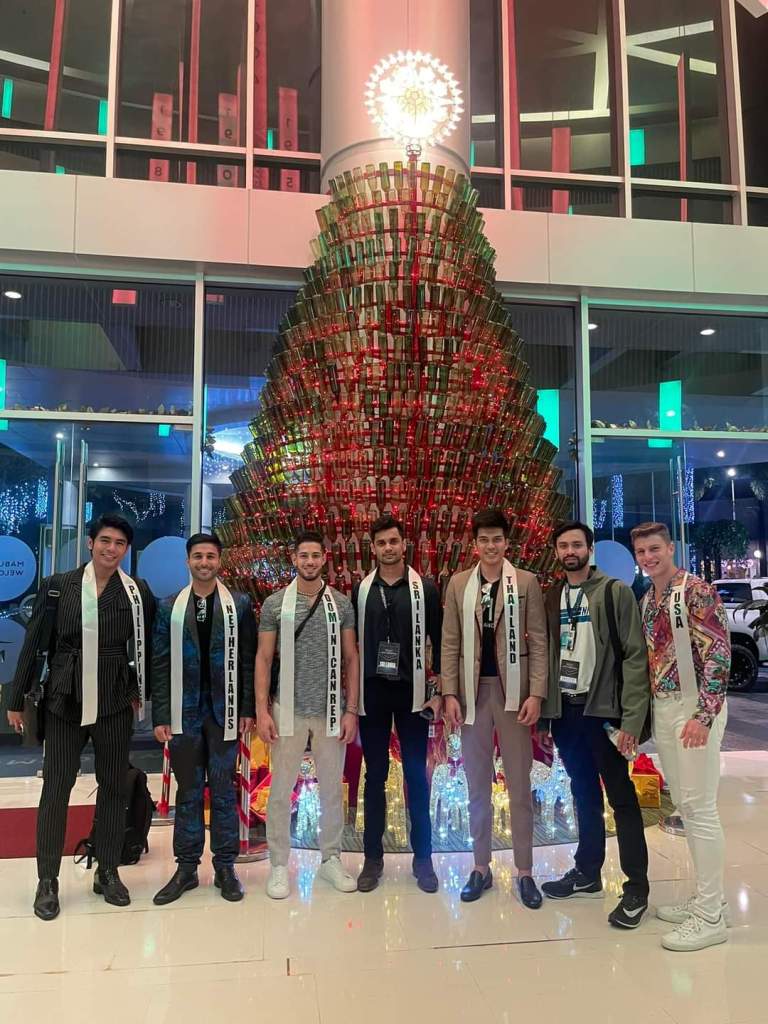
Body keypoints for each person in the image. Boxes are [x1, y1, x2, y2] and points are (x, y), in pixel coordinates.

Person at [6, 514, 155, 921]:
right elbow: (34, 641)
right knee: (56, 787)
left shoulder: (136, 591)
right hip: (64, 699)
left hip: (114, 700)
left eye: (119, 543)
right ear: (90, 543)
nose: (111, 549)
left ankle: (107, 870)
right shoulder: (59, 586)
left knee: (114, 787)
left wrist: (142, 690)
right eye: (105, 540)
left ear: (126, 549)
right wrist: (16, 698)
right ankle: (47, 880)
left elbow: (147, 644)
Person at [540, 521, 651, 930]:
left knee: (621, 797)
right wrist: (546, 715)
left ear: (590, 549)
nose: (570, 551)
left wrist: (631, 720)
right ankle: (587, 872)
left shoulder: (613, 592)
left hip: (603, 711)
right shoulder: (553, 597)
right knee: (582, 791)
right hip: (567, 711)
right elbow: (546, 656)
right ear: (556, 552)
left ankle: (636, 888)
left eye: (577, 544)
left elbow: (635, 657)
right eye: (563, 545)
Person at [442, 510, 550, 909]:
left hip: (514, 694)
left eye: (497, 539)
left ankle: (524, 870)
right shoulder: (459, 584)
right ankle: (480, 866)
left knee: (519, 784)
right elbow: (450, 641)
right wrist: (450, 693)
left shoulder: (525, 582)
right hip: (473, 694)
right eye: (484, 539)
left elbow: (539, 640)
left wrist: (536, 693)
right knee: (476, 785)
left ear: (506, 543)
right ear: (475, 544)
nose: (491, 546)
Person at [632, 521, 731, 951]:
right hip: (665, 707)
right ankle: (711, 900)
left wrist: (704, 715)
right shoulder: (648, 599)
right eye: (641, 552)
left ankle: (711, 917)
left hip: (693, 708)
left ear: (670, 548)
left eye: (654, 549)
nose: (648, 557)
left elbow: (718, 653)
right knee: (686, 807)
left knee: (700, 808)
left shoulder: (697, 591)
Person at [151, 533, 256, 904]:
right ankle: (186, 868)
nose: (204, 562)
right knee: (189, 791)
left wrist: (247, 708)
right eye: (198, 556)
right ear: (188, 561)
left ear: (219, 561)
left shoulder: (239, 604)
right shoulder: (169, 607)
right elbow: (159, 662)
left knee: (225, 791)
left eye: (210, 556)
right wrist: (161, 713)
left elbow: (248, 659)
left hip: (226, 711)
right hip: (185, 713)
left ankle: (225, 867)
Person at [255, 531, 359, 899]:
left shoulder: (341, 604)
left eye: (316, 555)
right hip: (288, 709)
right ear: (294, 559)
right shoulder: (275, 604)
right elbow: (264, 658)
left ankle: (331, 858)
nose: (310, 561)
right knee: (281, 790)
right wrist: (262, 710)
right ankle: (278, 864)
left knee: (332, 789)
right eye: (304, 555)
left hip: (330, 708)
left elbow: (351, 657)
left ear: (324, 559)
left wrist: (351, 710)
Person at [352, 514, 443, 893]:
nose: (388, 548)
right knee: (374, 776)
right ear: (373, 548)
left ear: (404, 545)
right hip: (373, 692)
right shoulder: (362, 590)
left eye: (394, 541)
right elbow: (352, 645)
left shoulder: (426, 589)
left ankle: (423, 858)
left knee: (416, 776)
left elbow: (441, 639)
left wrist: (439, 688)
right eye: (381, 543)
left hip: (412, 692)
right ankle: (373, 858)